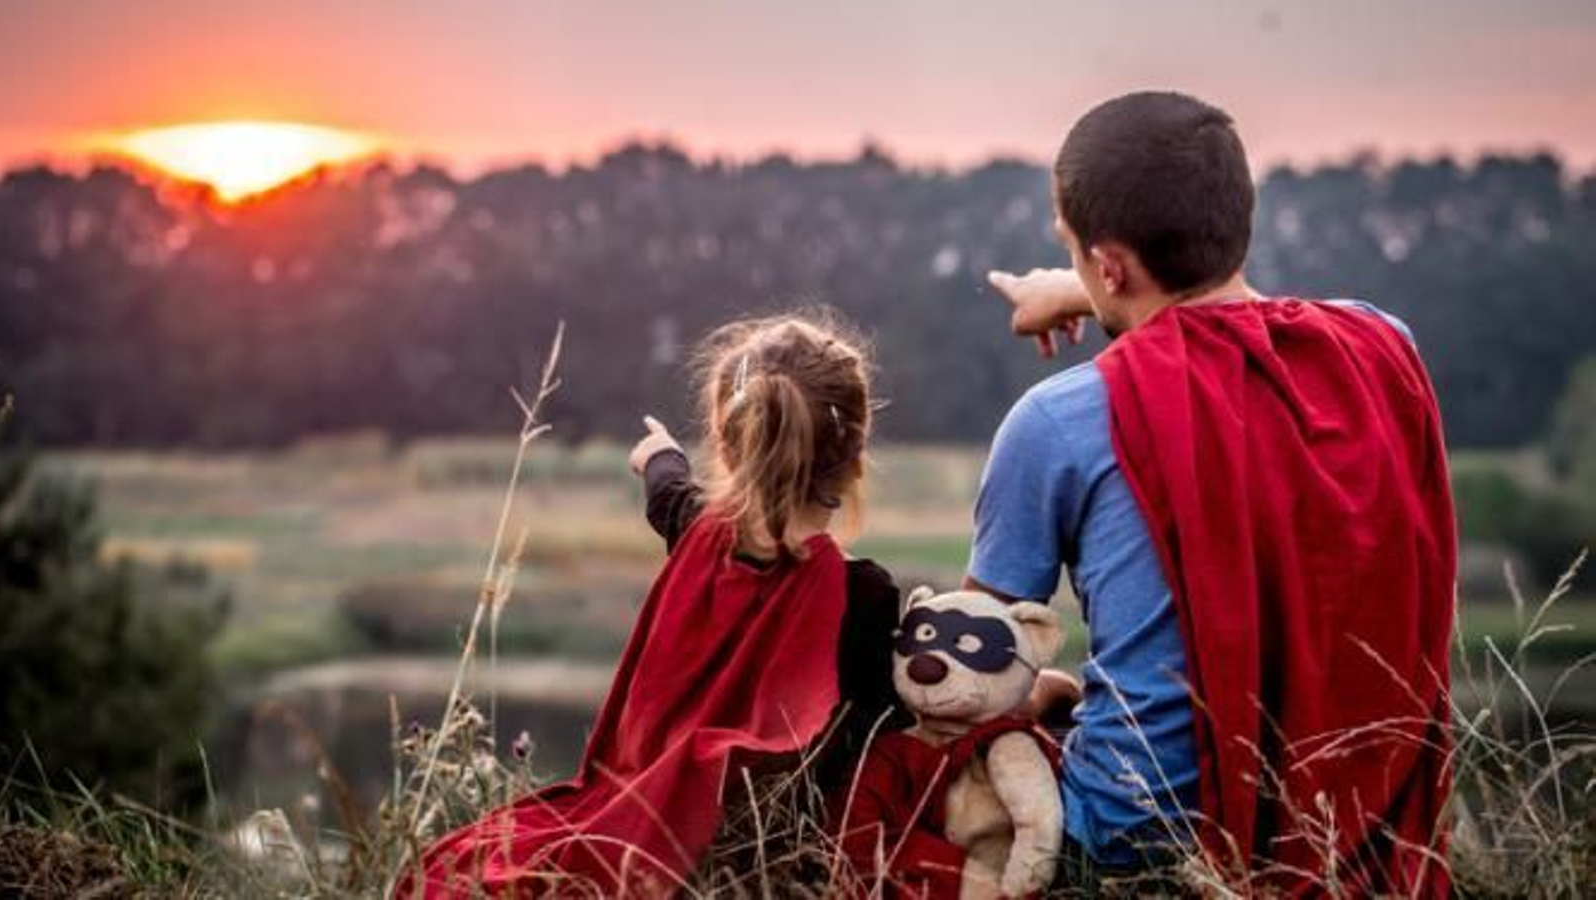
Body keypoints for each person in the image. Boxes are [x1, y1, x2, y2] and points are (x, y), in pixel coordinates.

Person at [972, 91, 1456, 895]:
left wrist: (1052, 692)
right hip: (1364, 828)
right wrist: (1085, 285)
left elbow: (974, 670)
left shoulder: (1057, 421)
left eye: (1072, 248)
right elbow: (1229, 313)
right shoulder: (1383, 347)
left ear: (1109, 264)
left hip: (1135, 839)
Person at [404, 313, 906, 897]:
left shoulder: (700, 540)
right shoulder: (866, 595)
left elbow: (669, 497)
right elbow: (879, 740)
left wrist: (659, 456)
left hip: (638, 823)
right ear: (855, 455)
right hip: (775, 854)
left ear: (730, 445)